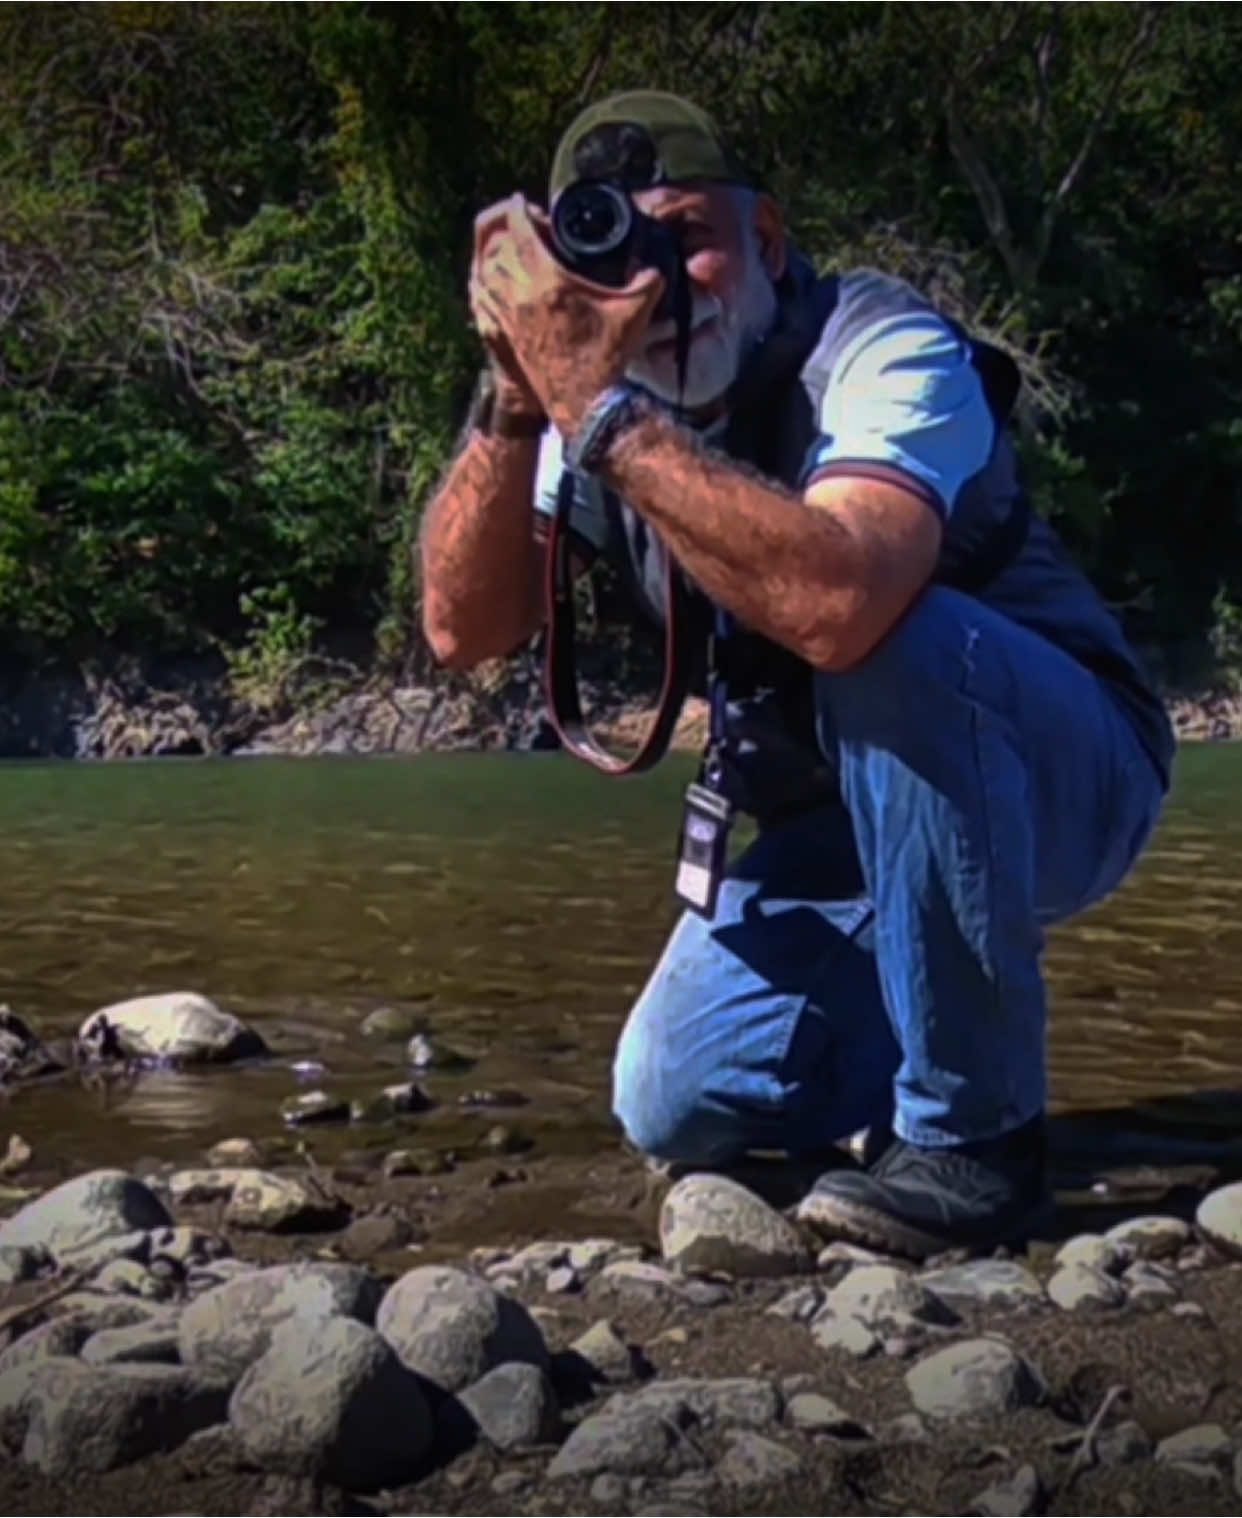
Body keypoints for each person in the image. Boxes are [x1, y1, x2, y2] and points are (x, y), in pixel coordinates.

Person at [419, 91, 1175, 1259]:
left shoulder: (880, 346)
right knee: (673, 1098)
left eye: (694, 236)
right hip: (842, 822)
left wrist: (603, 413)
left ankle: (978, 1151)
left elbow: (842, 603)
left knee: (893, 637)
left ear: (767, 240)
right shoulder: (587, 405)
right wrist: (520, 400)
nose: (666, 276)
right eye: (620, 247)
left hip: (1066, 770)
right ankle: (937, 1046)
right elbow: (463, 632)